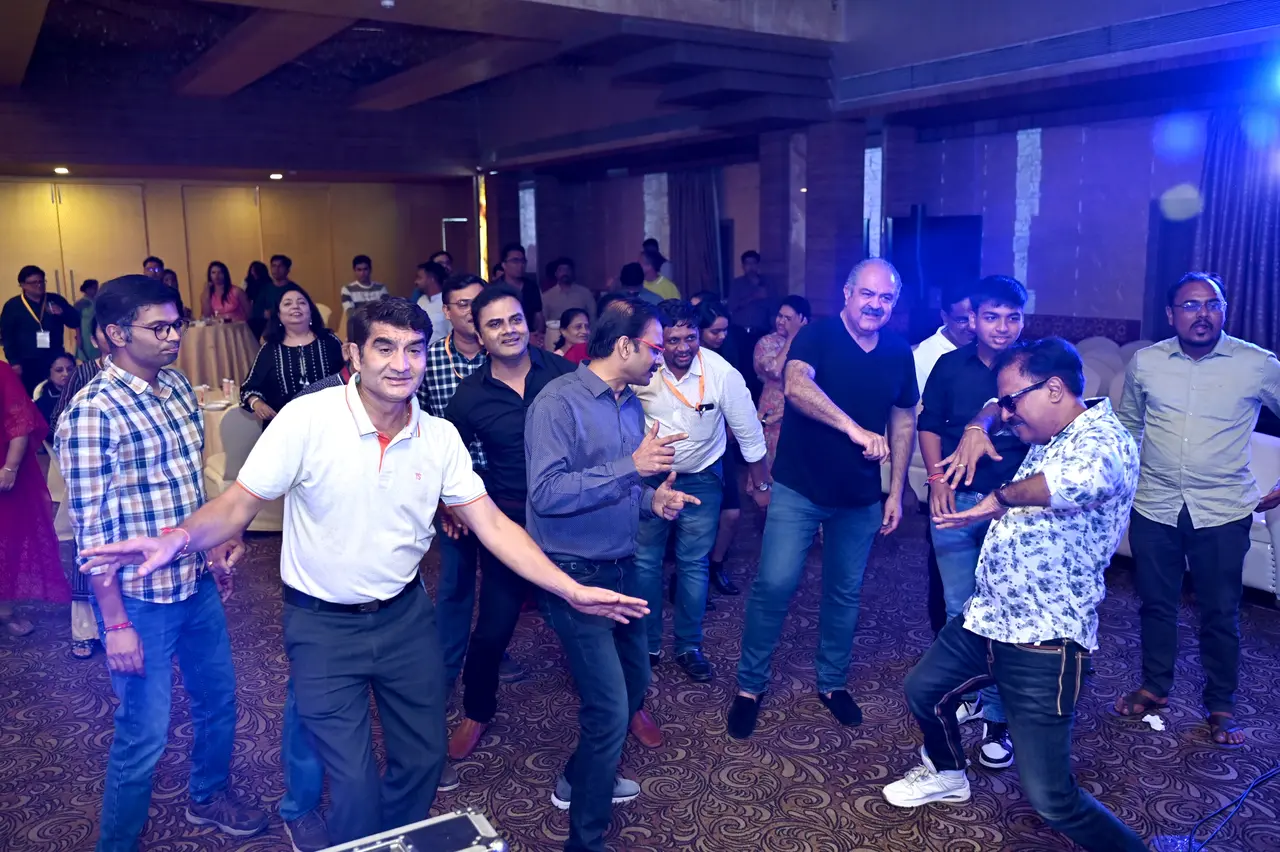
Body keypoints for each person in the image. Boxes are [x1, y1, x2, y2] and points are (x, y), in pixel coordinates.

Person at [78, 297, 648, 849]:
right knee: (351, 782)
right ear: (354, 354)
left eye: (414, 349)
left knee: (423, 760)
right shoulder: (308, 419)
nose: (402, 364)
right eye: (384, 348)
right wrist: (178, 539)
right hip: (322, 627)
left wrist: (570, 589)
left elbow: (494, 526)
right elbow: (236, 504)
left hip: (405, 620)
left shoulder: (438, 437)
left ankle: (389, 842)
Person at [884, 337, 1146, 852]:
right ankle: (948, 773)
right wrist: (978, 425)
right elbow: (991, 407)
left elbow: (1072, 483)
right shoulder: (1048, 425)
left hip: (1043, 641)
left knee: (1053, 800)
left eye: (1012, 401)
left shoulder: (1105, 442)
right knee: (923, 690)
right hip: (988, 617)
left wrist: (997, 499)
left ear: (1054, 389)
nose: (1006, 412)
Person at [55, 275, 266, 852]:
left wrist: (213, 543)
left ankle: (208, 796)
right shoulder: (93, 414)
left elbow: (188, 484)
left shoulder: (174, 386)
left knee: (218, 700)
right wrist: (115, 623)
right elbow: (92, 536)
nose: (174, 336)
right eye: (160, 328)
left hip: (194, 580)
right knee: (143, 732)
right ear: (115, 334)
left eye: (177, 325)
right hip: (137, 599)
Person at [525, 296, 700, 852]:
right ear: (624, 345)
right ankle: (585, 840)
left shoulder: (629, 404)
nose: (661, 357)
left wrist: (653, 501)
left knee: (636, 683)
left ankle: (580, 778)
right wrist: (632, 467)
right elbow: (546, 494)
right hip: (573, 574)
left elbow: (624, 485)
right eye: (654, 347)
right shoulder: (558, 403)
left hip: (623, 567)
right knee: (608, 707)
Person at [727, 259, 917, 739]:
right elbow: (796, 385)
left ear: (894, 304)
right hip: (801, 487)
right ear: (847, 294)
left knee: (844, 591)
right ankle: (750, 686)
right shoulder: (817, 336)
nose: (875, 305)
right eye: (867, 294)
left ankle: (832, 683)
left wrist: (895, 491)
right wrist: (853, 428)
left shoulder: (898, 352)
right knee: (774, 584)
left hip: (859, 496)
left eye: (886, 298)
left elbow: (903, 421)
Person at [1113, 272, 1280, 746]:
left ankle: (1221, 704)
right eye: (1190, 305)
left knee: (1220, 612)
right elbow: (1129, 426)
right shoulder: (1146, 363)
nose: (1202, 314)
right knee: (1155, 604)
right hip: (1154, 505)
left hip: (1222, 511)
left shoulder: (1257, 364)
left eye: (1212, 304)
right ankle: (1154, 686)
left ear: (1224, 310)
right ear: (1171, 315)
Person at [444, 285, 576, 760]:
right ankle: (477, 711)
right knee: (493, 629)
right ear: (479, 335)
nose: (508, 330)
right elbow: (450, 459)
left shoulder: (564, 374)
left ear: (528, 323)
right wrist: (455, 504)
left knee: (594, 622)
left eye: (515, 319)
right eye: (495, 324)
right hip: (510, 524)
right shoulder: (469, 396)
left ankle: (630, 705)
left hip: (572, 518)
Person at [917, 275, 1029, 770]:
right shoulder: (949, 364)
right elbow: (928, 426)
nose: (1002, 327)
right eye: (991, 317)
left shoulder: (1033, 369)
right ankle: (969, 694)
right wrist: (936, 480)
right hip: (956, 499)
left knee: (1006, 609)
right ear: (972, 320)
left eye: (1012, 318)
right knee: (960, 607)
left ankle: (999, 718)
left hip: (1015, 506)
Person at [633, 300, 770, 682]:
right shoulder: (643, 369)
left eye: (690, 338)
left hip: (702, 479)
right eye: (672, 340)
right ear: (658, 339)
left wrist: (761, 485)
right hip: (649, 480)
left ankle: (688, 646)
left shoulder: (721, 372)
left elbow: (749, 434)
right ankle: (647, 645)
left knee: (694, 563)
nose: (682, 348)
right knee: (645, 561)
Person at [418, 274, 522, 693]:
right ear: (447, 312)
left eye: (478, 302)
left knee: (503, 579)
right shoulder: (426, 359)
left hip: (503, 485)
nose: (471, 310)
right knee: (457, 582)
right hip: (453, 490)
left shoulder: (507, 355)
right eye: (462, 304)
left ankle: (493, 650)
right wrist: (441, 497)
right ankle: (445, 670)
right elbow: (419, 427)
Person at [913, 285, 977, 638]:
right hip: (946, 476)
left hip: (987, 482)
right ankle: (943, 644)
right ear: (944, 318)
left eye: (973, 317)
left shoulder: (994, 354)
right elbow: (923, 419)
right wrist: (934, 478)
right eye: (961, 319)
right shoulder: (929, 356)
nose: (969, 326)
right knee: (945, 576)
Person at [0, 359, 69, 638]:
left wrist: (10, 468)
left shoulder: (1, 372)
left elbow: (20, 424)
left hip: (3, 471)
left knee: (5, 541)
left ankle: (4, 610)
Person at [696, 298, 749, 595]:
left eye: (725, 330)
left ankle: (716, 565)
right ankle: (693, 575)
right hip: (695, 450)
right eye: (715, 331)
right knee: (696, 520)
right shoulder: (686, 358)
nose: (722, 336)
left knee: (732, 514)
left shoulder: (727, 354)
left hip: (723, 445)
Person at [241, 285, 344, 423]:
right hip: (284, 425)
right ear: (279, 315)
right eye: (287, 304)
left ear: (311, 311)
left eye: (301, 302)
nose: (295, 306)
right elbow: (249, 388)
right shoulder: (269, 349)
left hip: (330, 422)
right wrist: (257, 403)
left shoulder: (330, 341)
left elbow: (351, 377)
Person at [2, 265, 81, 397]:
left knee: (60, 393)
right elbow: (7, 336)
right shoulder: (13, 306)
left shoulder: (55, 299)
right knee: (33, 394)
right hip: (27, 360)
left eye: (41, 281)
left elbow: (75, 321)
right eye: (33, 283)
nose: (39, 285)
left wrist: (62, 313)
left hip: (55, 357)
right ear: (22, 285)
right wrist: (14, 362)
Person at [753, 295, 811, 468]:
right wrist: (792, 337)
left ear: (802, 320)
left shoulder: (810, 344)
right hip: (772, 416)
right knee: (769, 466)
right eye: (780, 316)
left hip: (801, 414)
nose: (781, 321)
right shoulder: (767, 342)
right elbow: (775, 370)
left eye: (788, 318)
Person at [542, 258, 597, 330]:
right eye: (561, 270)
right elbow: (543, 320)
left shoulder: (585, 293)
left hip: (581, 333)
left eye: (568, 270)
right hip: (556, 333)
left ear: (572, 273)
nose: (565, 273)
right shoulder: (547, 296)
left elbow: (593, 317)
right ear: (556, 273)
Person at [500, 243, 544, 334]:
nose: (520, 265)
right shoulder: (495, 289)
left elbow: (538, 316)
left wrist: (537, 334)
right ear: (504, 265)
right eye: (515, 261)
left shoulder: (531, 287)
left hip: (530, 336)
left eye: (523, 261)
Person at [250, 254, 297, 339]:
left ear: (287, 270)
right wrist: (264, 314)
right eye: (274, 266)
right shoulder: (265, 289)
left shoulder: (294, 290)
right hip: (268, 329)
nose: (276, 269)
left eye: (280, 266)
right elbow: (256, 310)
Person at [730, 250, 775, 336]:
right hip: (740, 330)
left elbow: (774, 307)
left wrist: (774, 328)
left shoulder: (768, 283)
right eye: (747, 263)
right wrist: (752, 297)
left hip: (762, 330)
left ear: (758, 265)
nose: (751, 266)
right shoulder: (737, 283)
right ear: (743, 266)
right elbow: (732, 306)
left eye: (753, 263)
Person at [35, 353, 76, 444]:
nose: (66, 374)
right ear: (49, 373)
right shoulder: (42, 403)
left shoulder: (84, 392)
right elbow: (48, 434)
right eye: (59, 370)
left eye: (70, 369)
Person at [414, 260, 449, 346]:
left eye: (419, 278)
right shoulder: (421, 300)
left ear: (431, 279)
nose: (416, 282)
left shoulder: (447, 301)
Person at [76, 279, 102, 363]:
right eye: (93, 288)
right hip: (85, 333)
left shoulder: (98, 302)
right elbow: (76, 322)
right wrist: (78, 337)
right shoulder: (80, 303)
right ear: (87, 289)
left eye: (96, 288)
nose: (96, 291)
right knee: (87, 356)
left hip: (96, 330)